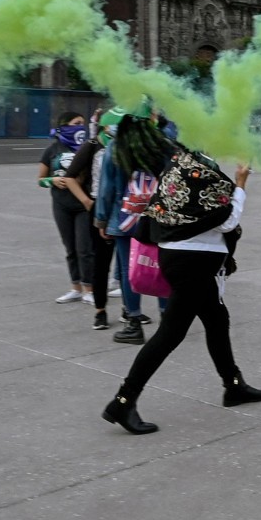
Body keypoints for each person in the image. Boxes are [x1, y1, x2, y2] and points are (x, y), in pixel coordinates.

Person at [101, 128, 261, 434]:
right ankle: (123, 401)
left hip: (183, 258)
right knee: (171, 333)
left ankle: (233, 385)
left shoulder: (178, 166)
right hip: (192, 262)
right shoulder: (201, 174)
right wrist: (242, 182)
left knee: (217, 319)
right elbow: (229, 219)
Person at [96, 112, 169, 345]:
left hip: (124, 219)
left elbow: (106, 189)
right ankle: (168, 319)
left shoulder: (115, 148)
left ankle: (134, 324)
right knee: (161, 266)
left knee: (129, 271)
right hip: (159, 217)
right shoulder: (163, 146)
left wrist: (101, 220)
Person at [37, 111, 95, 305]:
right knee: (70, 248)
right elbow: (40, 180)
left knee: (84, 248)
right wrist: (52, 180)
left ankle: (89, 288)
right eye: (76, 123)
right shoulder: (52, 150)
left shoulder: (87, 147)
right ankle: (75, 288)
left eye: (83, 123)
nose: (81, 127)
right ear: (65, 126)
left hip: (83, 205)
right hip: (61, 205)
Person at [66, 107, 115, 330]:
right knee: (101, 261)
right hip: (98, 207)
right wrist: (87, 202)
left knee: (127, 263)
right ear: (105, 124)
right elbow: (70, 178)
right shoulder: (93, 145)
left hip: (123, 210)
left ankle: (130, 312)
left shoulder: (127, 146)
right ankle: (100, 310)